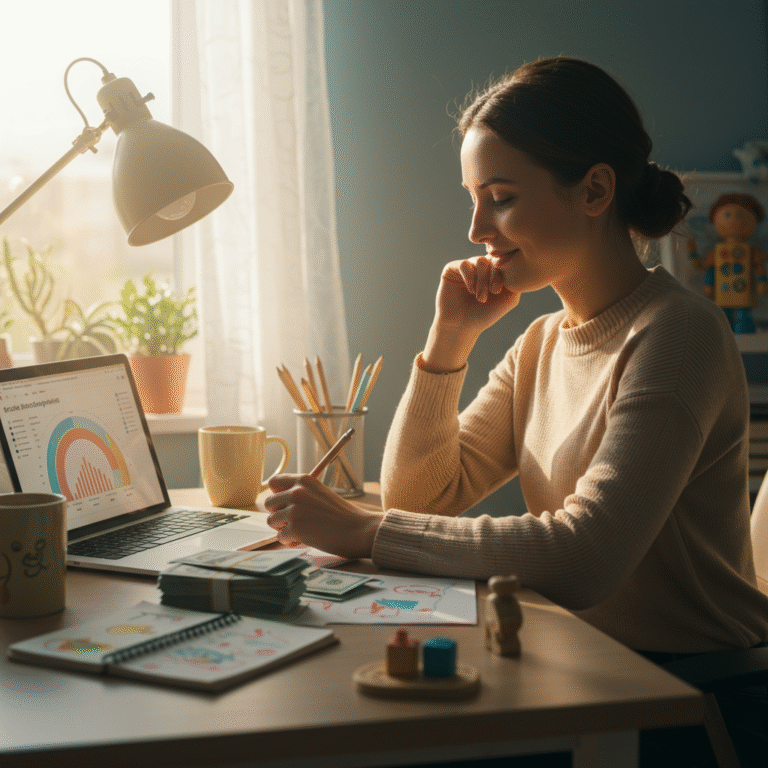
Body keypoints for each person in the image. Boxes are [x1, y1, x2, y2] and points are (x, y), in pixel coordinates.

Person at [265, 57, 768, 765]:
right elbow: (423, 496)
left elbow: (587, 556)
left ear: (595, 190)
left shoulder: (677, 333)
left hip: (689, 699)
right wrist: (449, 343)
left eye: (500, 197)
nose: (476, 229)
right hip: (586, 666)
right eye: (473, 198)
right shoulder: (540, 341)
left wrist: (365, 529)